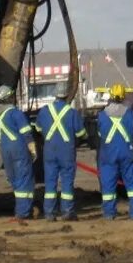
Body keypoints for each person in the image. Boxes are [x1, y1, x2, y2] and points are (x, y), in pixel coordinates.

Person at [35, 80, 87, 221]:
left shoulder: (44, 111)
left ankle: (49, 213)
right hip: (66, 152)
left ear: (55, 94)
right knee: (67, 182)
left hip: (50, 152)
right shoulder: (72, 113)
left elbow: (38, 129)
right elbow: (82, 134)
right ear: (67, 95)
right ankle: (67, 211)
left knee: (50, 182)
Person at [97, 83, 133, 220]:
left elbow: (100, 134)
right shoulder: (129, 114)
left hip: (108, 155)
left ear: (111, 96)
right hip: (127, 153)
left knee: (108, 185)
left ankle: (109, 214)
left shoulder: (102, 115)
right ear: (123, 96)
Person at [0, 85, 36, 221]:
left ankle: (21, 209)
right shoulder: (16, 114)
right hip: (18, 149)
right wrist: (33, 149)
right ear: (11, 97)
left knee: (15, 180)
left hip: (5, 150)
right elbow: (26, 133)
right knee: (24, 179)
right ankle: (23, 212)